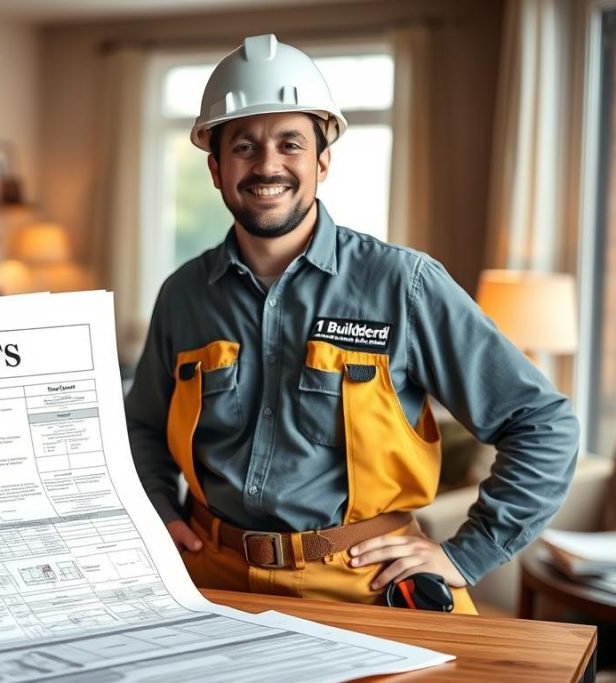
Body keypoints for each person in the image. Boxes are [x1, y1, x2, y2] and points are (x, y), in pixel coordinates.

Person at [124, 33, 579, 614]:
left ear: (322, 162)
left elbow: (542, 422)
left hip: (364, 586)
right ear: (215, 168)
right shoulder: (183, 295)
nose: (268, 166)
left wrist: (469, 552)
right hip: (207, 581)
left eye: (290, 144)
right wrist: (160, 511)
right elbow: (141, 432)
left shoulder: (404, 285)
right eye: (244, 147)